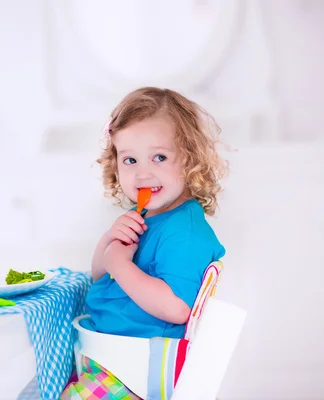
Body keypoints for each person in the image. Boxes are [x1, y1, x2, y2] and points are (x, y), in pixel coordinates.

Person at [61, 87, 227, 400]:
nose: (143, 173)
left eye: (159, 157)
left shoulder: (184, 232)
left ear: (190, 159)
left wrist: (120, 265)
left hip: (138, 371)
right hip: (108, 356)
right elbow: (100, 275)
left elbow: (177, 308)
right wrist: (110, 239)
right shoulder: (144, 215)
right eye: (130, 160)